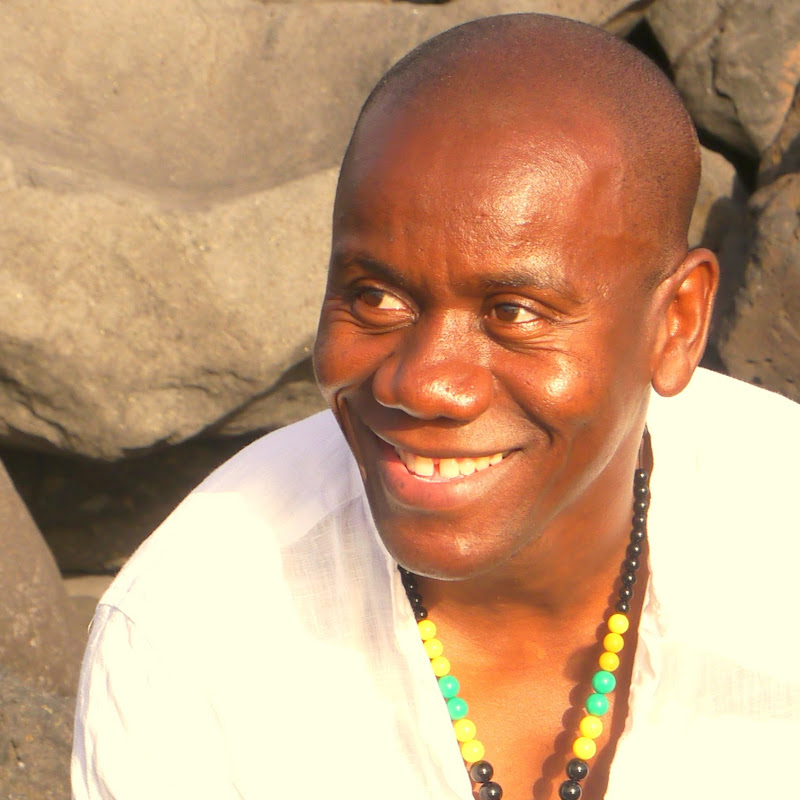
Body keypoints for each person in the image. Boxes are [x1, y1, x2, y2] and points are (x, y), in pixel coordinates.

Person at [71, 13, 800, 800]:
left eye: (514, 313)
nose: (422, 384)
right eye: (375, 298)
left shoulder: (778, 549)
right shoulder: (191, 642)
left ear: (677, 322)